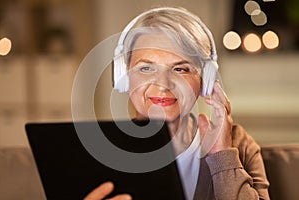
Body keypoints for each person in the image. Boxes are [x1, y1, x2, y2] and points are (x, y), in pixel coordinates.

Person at [84, 7, 270, 200]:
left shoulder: (239, 144)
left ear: (205, 80)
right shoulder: (98, 148)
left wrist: (222, 157)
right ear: (123, 76)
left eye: (180, 69)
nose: (163, 85)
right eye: (146, 68)